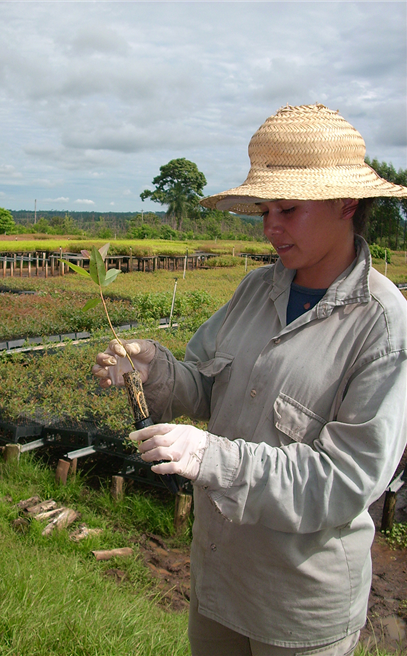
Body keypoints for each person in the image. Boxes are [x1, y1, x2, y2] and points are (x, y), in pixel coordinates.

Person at [93, 104, 407, 655]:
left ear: (347, 204)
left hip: (297, 604)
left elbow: (346, 479)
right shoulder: (255, 291)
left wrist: (212, 458)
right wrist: (155, 373)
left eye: (287, 209)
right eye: (264, 210)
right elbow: (210, 389)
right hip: (219, 579)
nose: (270, 228)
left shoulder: (382, 326)